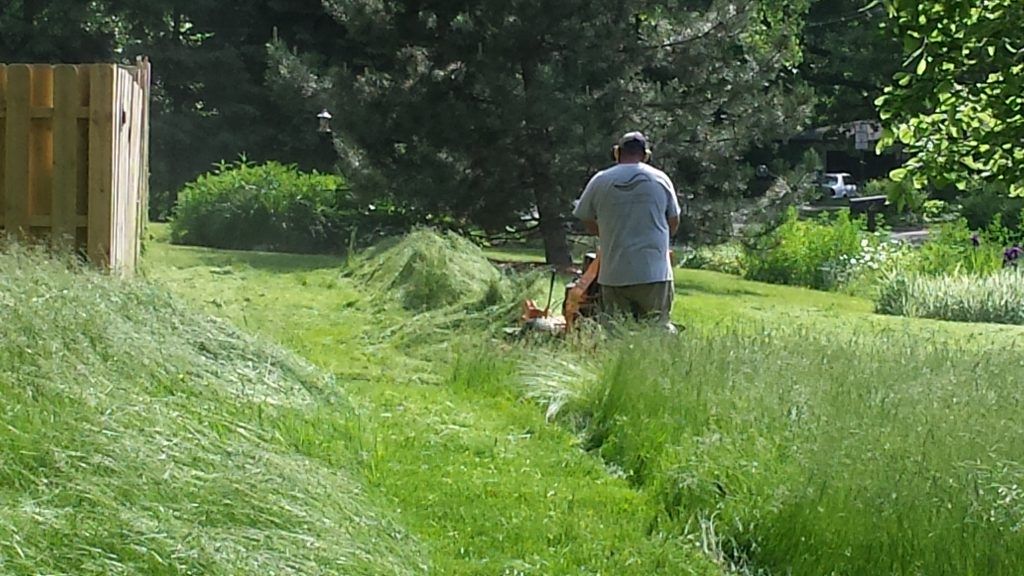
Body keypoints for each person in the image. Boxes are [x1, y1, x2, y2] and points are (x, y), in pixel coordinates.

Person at [572, 131, 681, 331]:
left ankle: (621, 362)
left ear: (616, 153)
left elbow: (585, 216)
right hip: (654, 272)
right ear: (646, 155)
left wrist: (607, 232)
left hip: (614, 272)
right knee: (657, 328)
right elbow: (673, 221)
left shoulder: (600, 180)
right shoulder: (660, 179)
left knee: (616, 331)